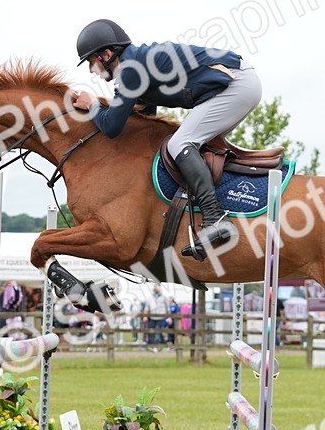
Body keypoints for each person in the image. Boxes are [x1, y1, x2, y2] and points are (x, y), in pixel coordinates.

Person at [72, 19, 262, 254]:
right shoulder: (135, 64)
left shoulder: (131, 69)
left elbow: (111, 127)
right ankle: (221, 207)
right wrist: (109, 106)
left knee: (180, 143)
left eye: (91, 62)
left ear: (107, 54)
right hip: (236, 84)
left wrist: (92, 105)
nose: (92, 70)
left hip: (235, 85)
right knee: (193, 147)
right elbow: (144, 116)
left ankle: (216, 219)